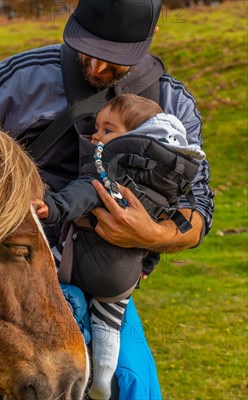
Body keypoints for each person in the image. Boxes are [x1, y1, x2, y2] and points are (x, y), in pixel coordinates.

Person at [0, 0, 214, 398]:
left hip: (107, 282)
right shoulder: (22, 79)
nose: (98, 68)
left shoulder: (173, 106)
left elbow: (199, 208)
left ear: (150, 35)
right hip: (11, 274)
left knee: (132, 380)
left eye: (113, 58)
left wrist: (154, 235)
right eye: (88, 48)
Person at [38, 94, 204, 399]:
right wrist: (145, 269)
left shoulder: (110, 171)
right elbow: (153, 242)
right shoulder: (163, 187)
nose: (96, 137)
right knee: (108, 329)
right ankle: (102, 378)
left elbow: (85, 194)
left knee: (42, 268)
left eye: (107, 130)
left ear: (137, 138)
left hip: (81, 266)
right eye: (97, 128)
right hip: (122, 283)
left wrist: (53, 208)